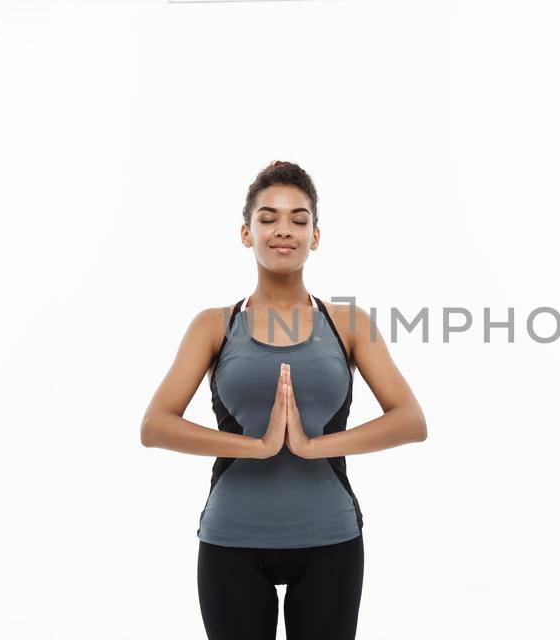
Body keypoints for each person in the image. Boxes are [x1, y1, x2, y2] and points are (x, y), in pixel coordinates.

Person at [140, 160, 429, 640]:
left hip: (330, 540)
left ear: (315, 236)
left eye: (299, 219)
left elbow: (411, 420)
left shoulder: (348, 323)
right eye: (268, 218)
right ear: (245, 232)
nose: (284, 230)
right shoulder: (214, 325)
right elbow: (154, 426)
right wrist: (258, 446)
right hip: (231, 541)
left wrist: (315, 446)